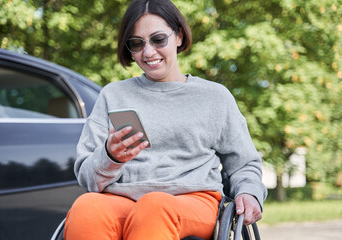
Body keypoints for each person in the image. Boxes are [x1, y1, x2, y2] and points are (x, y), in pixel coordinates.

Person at [64, 0, 267, 239]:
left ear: (179, 36)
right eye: (137, 44)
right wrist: (110, 157)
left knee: (154, 206)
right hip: (121, 199)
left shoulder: (214, 97)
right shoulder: (113, 95)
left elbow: (244, 164)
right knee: (86, 208)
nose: (148, 52)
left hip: (194, 200)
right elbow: (88, 180)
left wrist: (250, 192)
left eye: (158, 39)